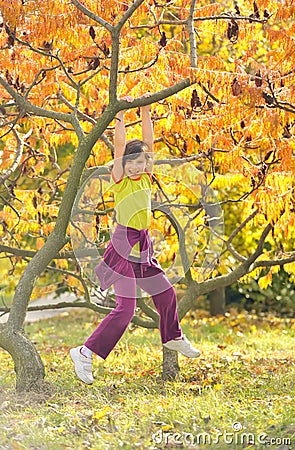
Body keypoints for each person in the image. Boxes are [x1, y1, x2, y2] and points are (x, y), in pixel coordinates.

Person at [70, 94, 200, 384]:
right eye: (132, 162)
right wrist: (119, 114)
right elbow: (119, 147)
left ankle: (173, 336)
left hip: (143, 244)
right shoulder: (120, 177)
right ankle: (85, 351)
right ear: (124, 163)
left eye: (141, 162)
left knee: (166, 294)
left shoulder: (146, 177)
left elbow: (149, 143)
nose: (136, 166)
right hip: (122, 244)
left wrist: (145, 110)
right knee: (125, 309)